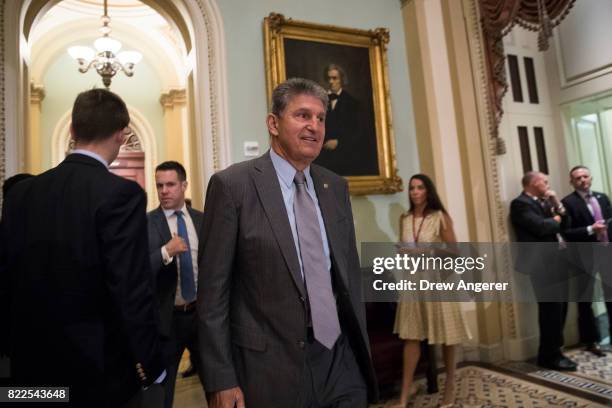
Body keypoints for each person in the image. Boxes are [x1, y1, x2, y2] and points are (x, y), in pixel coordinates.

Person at [197, 78, 378, 408]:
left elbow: (348, 274)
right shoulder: (233, 186)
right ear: (273, 123)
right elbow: (213, 293)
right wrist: (221, 378)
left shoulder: (334, 186)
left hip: (338, 360)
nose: (314, 126)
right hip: (269, 370)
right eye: (303, 115)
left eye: (321, 118)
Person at [0, 89, 165, 407]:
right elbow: (131, 286)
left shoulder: (21, 195)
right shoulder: (121, 194)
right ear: (121, 135)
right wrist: (152, 362)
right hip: (95, 373)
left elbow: (5, 277)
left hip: (28, 371)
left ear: (73, 131)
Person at [392, 174, 471, 408]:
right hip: (413, 283)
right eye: (411, 188)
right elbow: (404, 247)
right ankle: (404, 397)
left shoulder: (440, 217)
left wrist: (425, 253)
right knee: (411, 337)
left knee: (447, 338)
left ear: (428, 191)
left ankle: (450, 389)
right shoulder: (404, 218)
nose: (415, 192)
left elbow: (455, 252)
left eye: (419, 188)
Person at [147, 161, 205, 408]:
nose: (164, 191)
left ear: (184, 186)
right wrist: (164, 252)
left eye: (170, 185)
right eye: (160, 185)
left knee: (217, 382)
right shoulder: (147, 223)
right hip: (168, 320)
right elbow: (137, 271)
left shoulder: (201, 219)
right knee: (164, 390)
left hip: (202, 317)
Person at [510, 171, 576, 371]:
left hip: (558, 261)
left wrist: (556, 203)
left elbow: (566, 223)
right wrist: (554, 221)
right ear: (533, 183)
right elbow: (540, 227)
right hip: (542, 264)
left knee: (561, 307)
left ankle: (556, 351)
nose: (548, 184)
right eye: (544, 181)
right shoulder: (520, 204)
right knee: (550, 310)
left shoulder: (546, 202)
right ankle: (548, 356)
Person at [561, 165, 612, 355]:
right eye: (578, 178)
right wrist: (591, 229)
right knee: (585, 300)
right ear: (572, 182)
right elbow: (566, 232)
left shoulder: (602, 197)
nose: (582, 180)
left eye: (585, 176)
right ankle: (590, 340)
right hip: (584, 257)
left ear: (591, 178)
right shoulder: (567, 203)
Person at [314, 63, 378, 176]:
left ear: (342, 80)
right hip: (322, 157)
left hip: (345, 157)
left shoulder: (353, 103)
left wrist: (339, 142)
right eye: (329, 78)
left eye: (335, 78)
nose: (331, 82)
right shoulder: (319, 102)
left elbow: (359, 132)